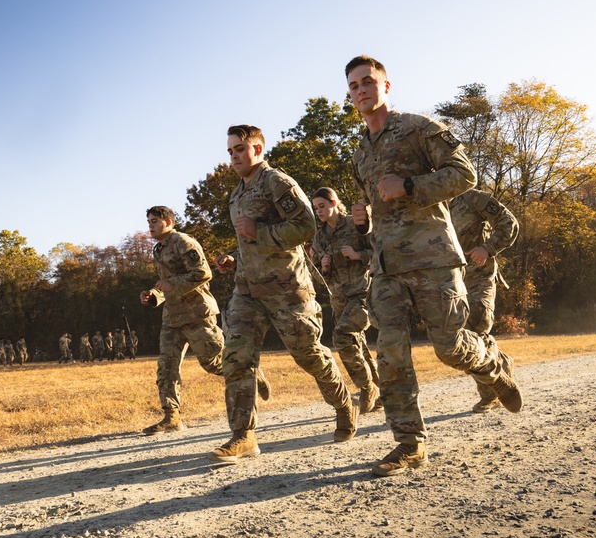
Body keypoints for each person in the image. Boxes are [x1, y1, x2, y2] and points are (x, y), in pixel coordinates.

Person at [345, 55, 522, 477]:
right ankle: (410, 443)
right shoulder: (359, 154)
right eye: (353, 86)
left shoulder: (418, 128)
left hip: (433, 258)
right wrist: (364, 221)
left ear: (386, 86)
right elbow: (379, 207)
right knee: (390, 352)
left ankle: (494, 366)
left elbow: (465, 175)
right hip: (387, 266)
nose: (361, 90)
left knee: (449, 348)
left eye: (368, 81)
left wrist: (408, 185)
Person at [210, 124, 358, 463]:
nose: (234, 156)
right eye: (230, 150)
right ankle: (243, 435)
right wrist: (235, 256)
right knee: (236, 359)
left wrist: (259, 232)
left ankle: (344, 403)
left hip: (287, 291)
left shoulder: (276, 181)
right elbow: (246, 237)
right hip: (247, 292)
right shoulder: (236, 193)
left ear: (259, 150)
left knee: (309, 356)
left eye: (240, 149)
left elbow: (306, 225)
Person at [140, 205, 270, 435]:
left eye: (154, 221)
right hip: (172, 316)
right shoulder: (158, 249)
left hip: (197, 314)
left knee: (214, 363)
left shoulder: (184, 242)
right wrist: (155, 295)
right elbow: (167, 282)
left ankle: (250, 370)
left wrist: (173, 285)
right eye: (148, 221)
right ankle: (172, 417)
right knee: (166, 366)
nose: (150, 226)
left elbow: (203, 273)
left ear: (169, 222)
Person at [310, 187, 383, 415]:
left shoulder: (356, 225)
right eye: (316, 208)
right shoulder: (319, 236)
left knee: (342, 338)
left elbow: (381, 254)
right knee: (358, 345)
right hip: (338, 300)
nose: (319, 212)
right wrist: (323, 267)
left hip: (362, 295)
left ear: (334, 203)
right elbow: (316, 276)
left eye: (322, 206)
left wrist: (358, 255)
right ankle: (384, 393)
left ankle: (367, 387)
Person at [450, 188, 520, 413]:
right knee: (455, 339)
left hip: (479, 273)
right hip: (449, 280)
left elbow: (509, 223)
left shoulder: (471, 197)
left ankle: (491, 392)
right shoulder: (429, 207)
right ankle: (500, 362)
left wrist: (487, 248)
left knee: (477, 323)